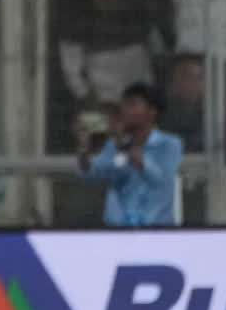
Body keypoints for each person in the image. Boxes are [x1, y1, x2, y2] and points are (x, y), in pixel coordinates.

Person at [77, 83, 184, 226]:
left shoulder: (170, 144)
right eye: (123, 105)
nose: (124, 111)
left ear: (152, 112)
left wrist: (125, 146)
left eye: (132, 105)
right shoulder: (113, 145)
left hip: (156, 231)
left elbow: (160, 180)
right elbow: (92, 175)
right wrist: (85, 149)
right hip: (118, 231)